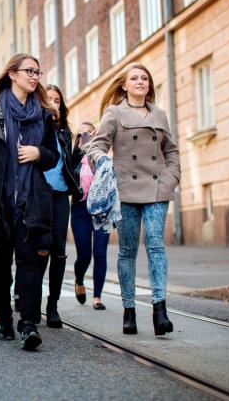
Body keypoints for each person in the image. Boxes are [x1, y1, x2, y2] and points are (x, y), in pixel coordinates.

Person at [0, 53, 58, 351]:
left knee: (30, 263)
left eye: (37, 72)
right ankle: (5, 317)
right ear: (13, 74)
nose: (34, 76)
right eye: (29, 71)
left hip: (31, 200)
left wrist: (38, 154)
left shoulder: (43, 113)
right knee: (0, 265)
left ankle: (29, 324)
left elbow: (52, 157)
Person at [86, 64, 180, 336]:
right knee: (127, 250)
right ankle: (129, 309)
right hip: (126, 189)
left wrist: (170, 177)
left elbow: (171, 151)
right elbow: (96, 145)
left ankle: (160, 309)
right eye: (134, 78)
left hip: (156, 188)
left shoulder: (159, 114)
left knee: (155, 246)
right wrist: (102, 160)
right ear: (124, 85)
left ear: (149, 85)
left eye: (145, 78)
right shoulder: (114, 112)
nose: (140, 82)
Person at [38, 85, 83, 329]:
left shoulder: (65, 133)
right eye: (49, 99)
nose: (54, 104)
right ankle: (30, 298)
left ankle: (52, 304)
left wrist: (80, 151)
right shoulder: (36, 128)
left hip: (60, 195)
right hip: (39, 194)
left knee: (59, 249)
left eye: (57, 100)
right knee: (40, 248)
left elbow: (68, 165)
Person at [70, 122, 110, 310]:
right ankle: (79, 280)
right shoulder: (73, 158)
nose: (86, 135)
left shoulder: (101, 158)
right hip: (80, 210)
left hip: (102, 210)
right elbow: (66, 173)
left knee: (100, 252)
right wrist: (79, 144)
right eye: (82, 133)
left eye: (89, 133)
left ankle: (97, 296)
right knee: (84, 254)